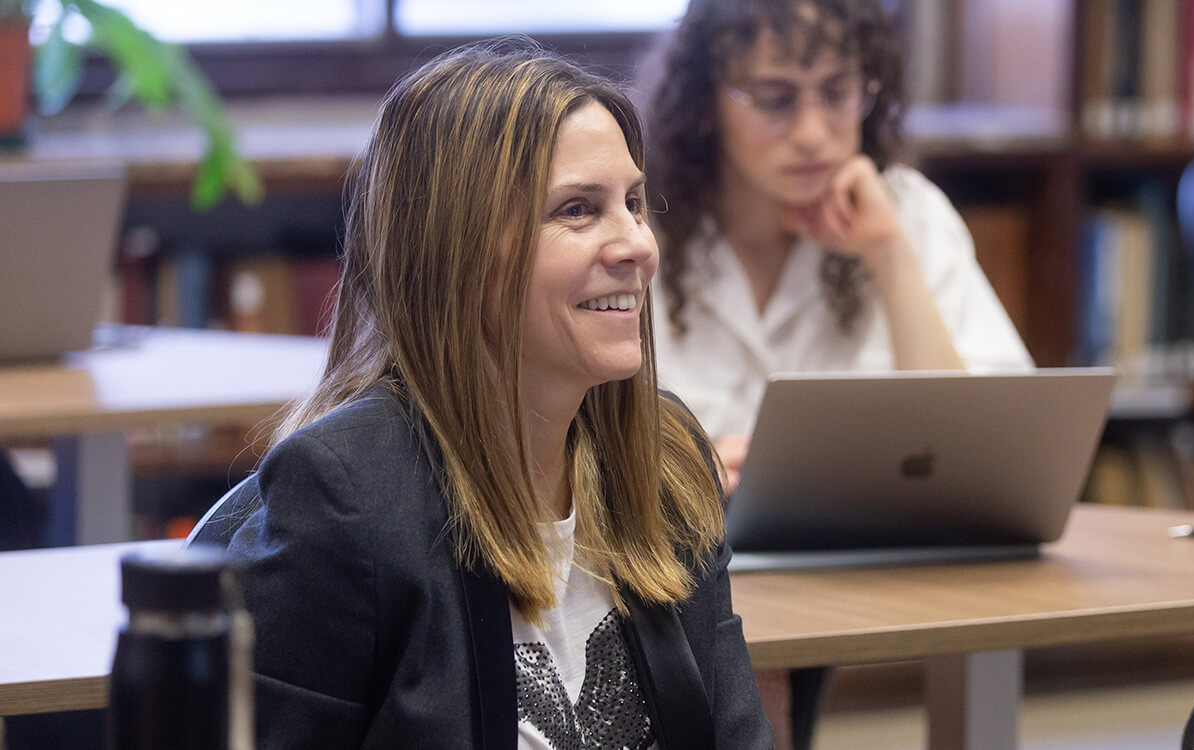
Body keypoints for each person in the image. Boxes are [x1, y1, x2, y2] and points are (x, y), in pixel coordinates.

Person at [204, 41, 773, 749]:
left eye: (633, 202)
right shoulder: (348, 498)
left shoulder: (666, 457)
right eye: (577, 210)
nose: (637, 244)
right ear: (460, 249)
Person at [641, 1, 1032, 746]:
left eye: (839, 91)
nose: (815, 132)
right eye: (777, 98)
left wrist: (888, 257)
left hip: (861, 570)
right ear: (703, 103)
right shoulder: (639, 220)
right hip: (671, 576)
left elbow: (988, 449)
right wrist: (677, 464)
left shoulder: (906, 212)